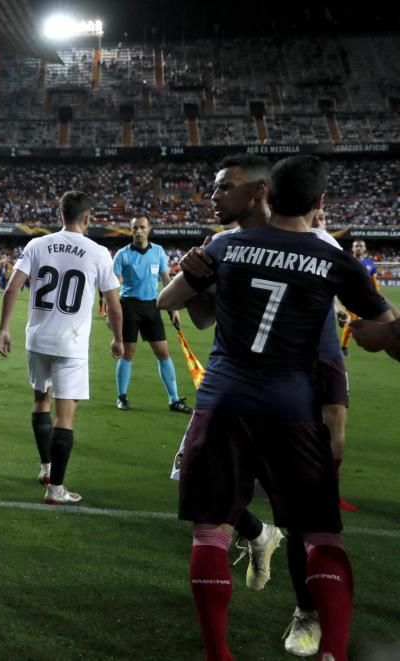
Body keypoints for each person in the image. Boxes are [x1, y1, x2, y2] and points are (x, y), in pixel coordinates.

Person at [158, 155, 396, 661]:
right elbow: (382, 331)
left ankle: (218, 653)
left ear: (267, 194)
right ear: (319, 203)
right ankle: (333, 649)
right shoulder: (334, 259)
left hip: (224, 401)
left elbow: (168, 301)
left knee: (211, 528)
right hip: (293, 406)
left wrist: (196, 276)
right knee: (320, 532)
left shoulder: (224, 246)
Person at [0, 191, 124, 502]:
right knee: (65, 416)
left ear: (60, 215)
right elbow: (114, 305)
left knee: (41, 402)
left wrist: (3, 329)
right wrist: (118, 338)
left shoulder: (37, 244)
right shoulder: (98, 252)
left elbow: (12, 287)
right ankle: (56, 489)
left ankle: (45, 467)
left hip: (37, 340)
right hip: (71, 344)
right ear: (88, 218)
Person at [112, 216, 192, 413]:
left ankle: (174, 400)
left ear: (149, 229)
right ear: (130, 230)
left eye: (142, 227)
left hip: (152, 307)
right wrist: (110, 315)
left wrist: (173, 309)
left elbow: (167, 281)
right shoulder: (122, 254)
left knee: (163, 353)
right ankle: (122, 397)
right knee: (128, 353)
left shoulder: (158, 252)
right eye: (135, 228)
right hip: (129, 306)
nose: (138, 231)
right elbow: (112, 285)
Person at [337, 239, 378, 356]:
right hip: (350, 298)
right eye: (356, 246)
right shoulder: (347, 261)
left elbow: (374, 283)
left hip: (367, 298)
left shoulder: (370, 264)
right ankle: (343, 347)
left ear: (364, 249)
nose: (359, 248)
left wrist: (378, 295)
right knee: (352, 323)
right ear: (353, 249)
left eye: (361, 246)